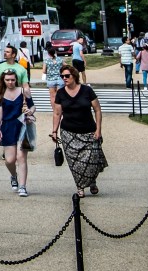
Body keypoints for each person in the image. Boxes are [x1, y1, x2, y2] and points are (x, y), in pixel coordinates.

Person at [52, 65, 106, 198]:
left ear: (74, 76)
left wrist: (98, 129)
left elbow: (97, 110)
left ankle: (92, 181)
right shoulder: (61, 93)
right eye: (62, 76)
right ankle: (80, 186)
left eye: (67, 76)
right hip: (68, 133)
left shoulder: (87, 90)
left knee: (92, 159)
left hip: (88, 131)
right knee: (75, 163)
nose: (64, 78)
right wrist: (54, 131)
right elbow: (57, 113)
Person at [0, 68, 34, 196]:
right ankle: (13, 175)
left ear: (16, 80)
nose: (10, 82)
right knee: (9, 160)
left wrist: (30, 111)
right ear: (3, 80)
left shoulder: (23, 91)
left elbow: (32, 105)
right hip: (8, 126)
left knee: (21, 157)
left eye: (12, 80)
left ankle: (22, 186)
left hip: (22, 125)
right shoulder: (0, 93)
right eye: (7, 80)